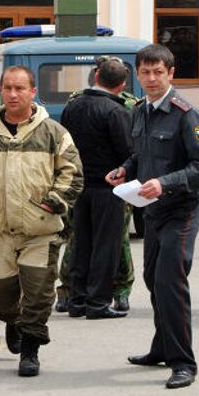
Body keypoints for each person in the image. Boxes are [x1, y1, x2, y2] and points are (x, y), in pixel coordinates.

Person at [0, 65, 83, 377]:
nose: (13, 94)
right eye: (7, 88)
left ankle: (30, 348)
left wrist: (53, 203)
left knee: (39, 294)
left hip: (40, 230)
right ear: (0, 91)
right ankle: (13, 321)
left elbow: (73, 174)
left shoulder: (54, 133)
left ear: (32, 92)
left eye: (20, 89)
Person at [106, 44, 199, 390]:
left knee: (171, 282)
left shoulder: (187, 115)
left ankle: (183, 362)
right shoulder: (141, 110)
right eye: (145, 72)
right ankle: (162, 347)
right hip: (151, 210)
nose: (151, 78)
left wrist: (163, 183)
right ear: (136, 75)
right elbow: (140, 153)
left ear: (171, 73)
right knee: (154, 280)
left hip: (181, 210)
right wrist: (124, 170)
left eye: (158, 72)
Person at [61, 58, 133, 319]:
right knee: (106, 246)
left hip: (79, 186)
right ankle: (98, 303)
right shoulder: (116, 111)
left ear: (96, 76)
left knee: (81, 243)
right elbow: (127, 151)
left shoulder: (73, 106)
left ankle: (77, 300)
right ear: (122, 84)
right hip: (108, 187)